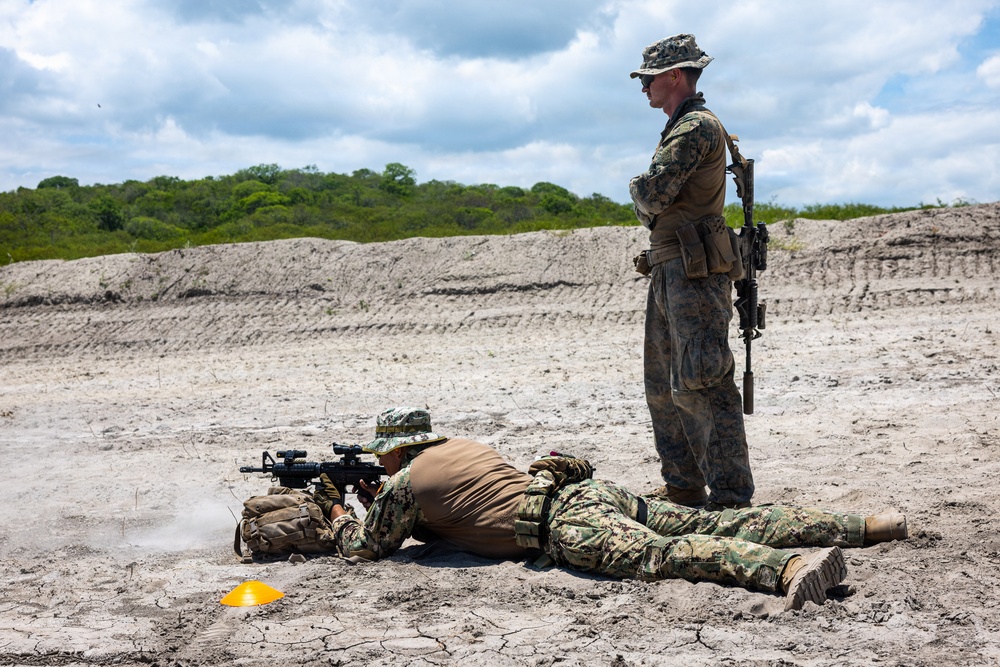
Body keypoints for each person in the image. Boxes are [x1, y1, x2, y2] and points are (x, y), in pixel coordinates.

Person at [317, 407, 908, 611]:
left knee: (669, 556)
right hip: (590, 494)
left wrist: (339, 515)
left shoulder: (403, 483)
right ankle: (865, 526)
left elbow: (366, 549)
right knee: (715, 518)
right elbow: (462, 510)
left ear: (394, 450)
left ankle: (787, 570)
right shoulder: (461, 448)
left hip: (567, 525)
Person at [628, 34, 753, 511]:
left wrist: (636, 187)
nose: (644, 87)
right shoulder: (682, 126)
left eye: (650, 78)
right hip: (673, 266)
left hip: (692, 272)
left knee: (703, 379)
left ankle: (730, 495)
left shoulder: (696, 127)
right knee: (663, 384)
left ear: (676, 75)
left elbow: (652, 194)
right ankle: (683, 485)